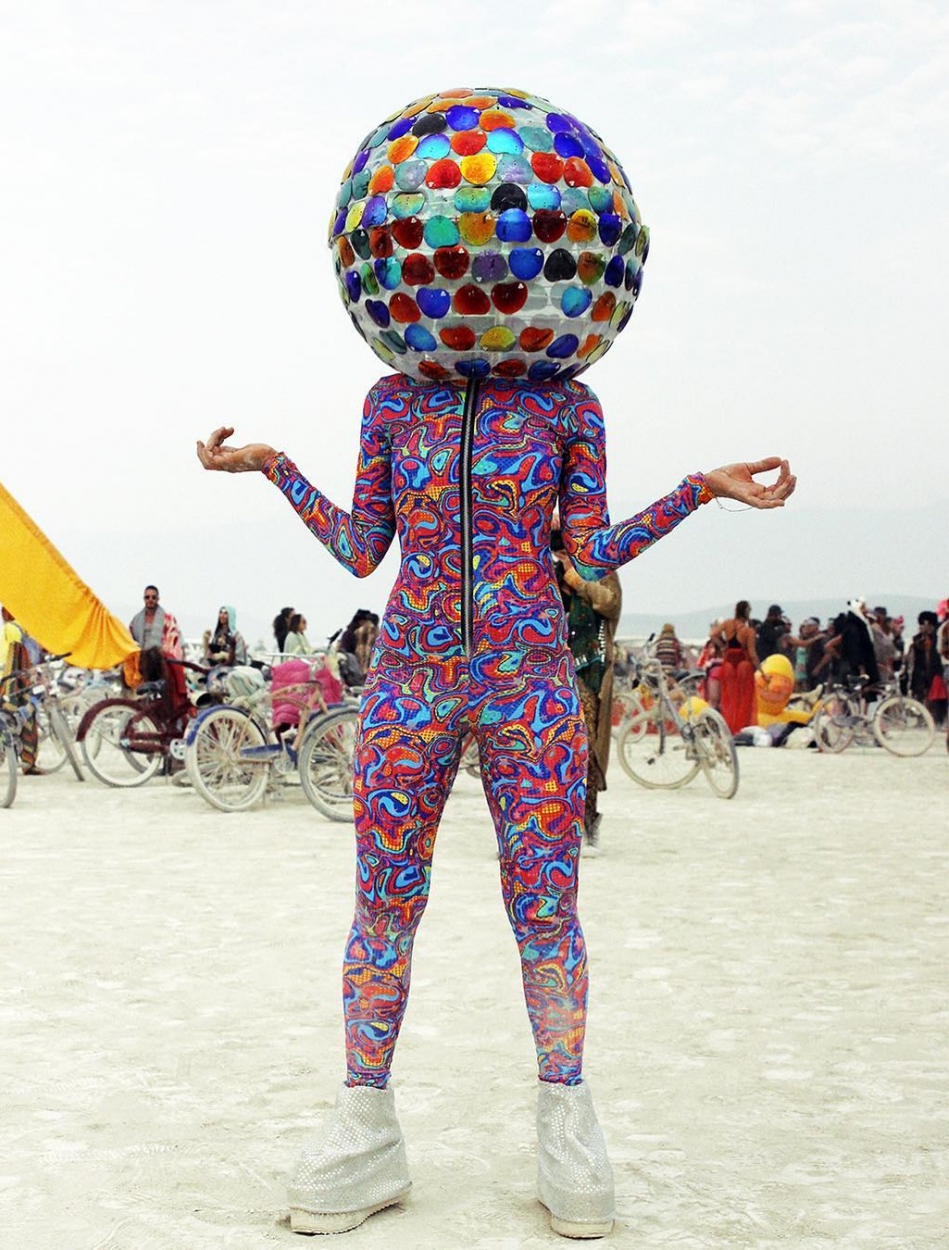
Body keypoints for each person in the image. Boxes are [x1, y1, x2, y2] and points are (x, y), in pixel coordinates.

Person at [196, 86, 797, 1239]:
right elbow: (362, 547)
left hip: (528, 681)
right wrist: (274, 466)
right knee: (384, 898)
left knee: (545, 903)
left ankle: (566, 1116)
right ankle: (364, 1118)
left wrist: (697, 490)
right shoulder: (392, 404)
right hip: (412, 679)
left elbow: (587, 555)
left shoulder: (569, 406)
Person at [553, 534, 621, 850]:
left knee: (586, 748)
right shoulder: (547, 574)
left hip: (589, 672)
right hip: (551, 672)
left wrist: (578, 581)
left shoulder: (602, 571)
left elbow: (609, 603)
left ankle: (588, 819)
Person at [0, 606, 40, 774]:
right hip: (12, 680)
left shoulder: (13, 628)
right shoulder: (15, 629)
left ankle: (26, 761)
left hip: (11, 678)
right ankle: (27, 762)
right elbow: (16, 655)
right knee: (24, 716)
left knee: (23, 716)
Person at [716, 601, 760, 734]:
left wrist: (723, 646)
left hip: (729, 661)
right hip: (743, 662)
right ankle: (741, 726)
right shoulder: (749, 631)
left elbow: (713, 634)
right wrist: (761, 670)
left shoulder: (727, 623)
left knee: (729, 696)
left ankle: (729, 725)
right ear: (747, 612)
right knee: (744, 696)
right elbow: (752, 654)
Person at [905, 611, 946, 726]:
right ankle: (926, 719)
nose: (920, 627)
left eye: (921, 624)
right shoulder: (920, 639)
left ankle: (931, 719)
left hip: (932, 671)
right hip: (923, 672)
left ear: (927, 623)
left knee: (933, 696)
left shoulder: (934, 636)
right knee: (923, 695)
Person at [128, 585, 183, 660]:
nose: (150, 600)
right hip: (141, 658)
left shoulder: (168, 619)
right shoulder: (136, 620)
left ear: (158, 599)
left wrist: (163, 650)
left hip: (162, 659)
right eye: (147, 597)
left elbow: (176, 639)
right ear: (144, 599)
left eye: (153, 597)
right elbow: (129, 639)